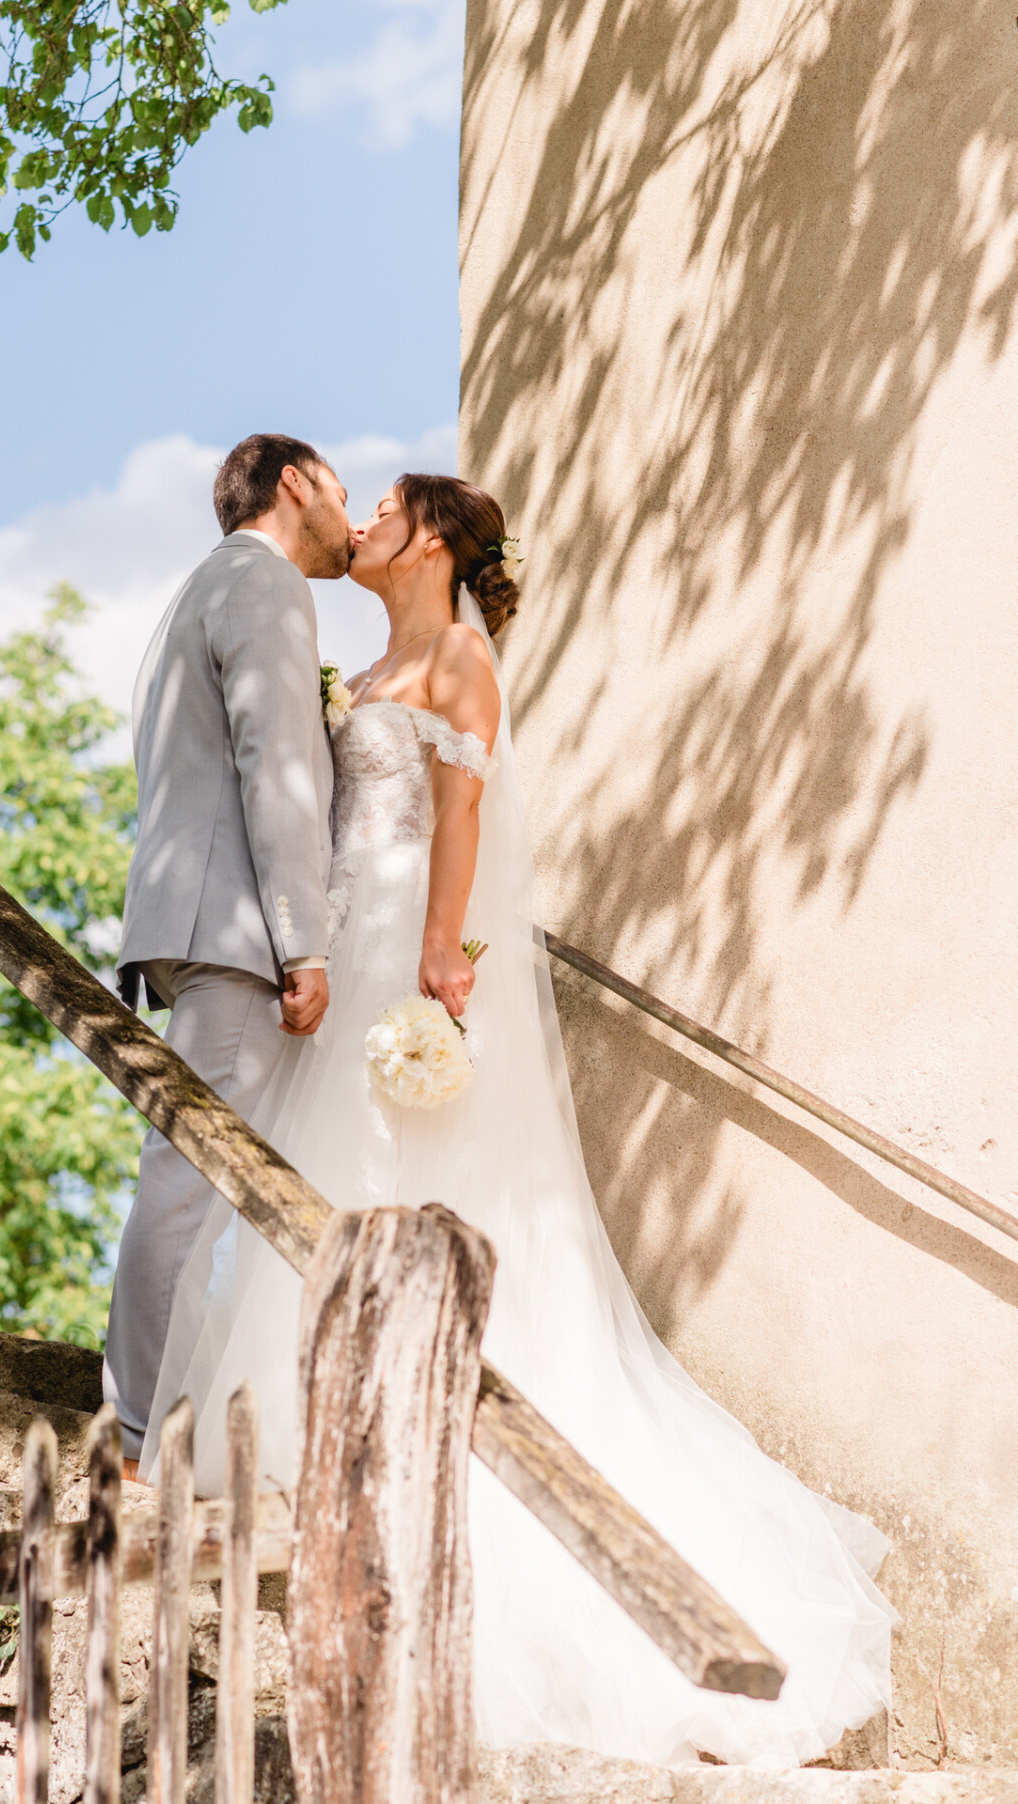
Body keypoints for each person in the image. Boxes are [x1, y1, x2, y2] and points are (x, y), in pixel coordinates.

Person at [141, 473, 895, 1766]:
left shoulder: (463, 660)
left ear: (430, 535)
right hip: (345, 940)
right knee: (325, 1189)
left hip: (407, 957)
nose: (363, 523)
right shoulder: (365, 670)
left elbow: (462, 814)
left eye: (383, 507)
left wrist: (440, 965)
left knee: (404, 1182)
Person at [103, 433, 352, 1477]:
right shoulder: (267, 584)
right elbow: (278, 765)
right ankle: (135, 1440)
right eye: (341, 492)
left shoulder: (194, 593)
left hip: (190, 923)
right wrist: (304, 937)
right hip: (240, 932)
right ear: (295, 484)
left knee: (186, 1182)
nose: (350, 514)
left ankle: (142, 1421)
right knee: (191, 1188)